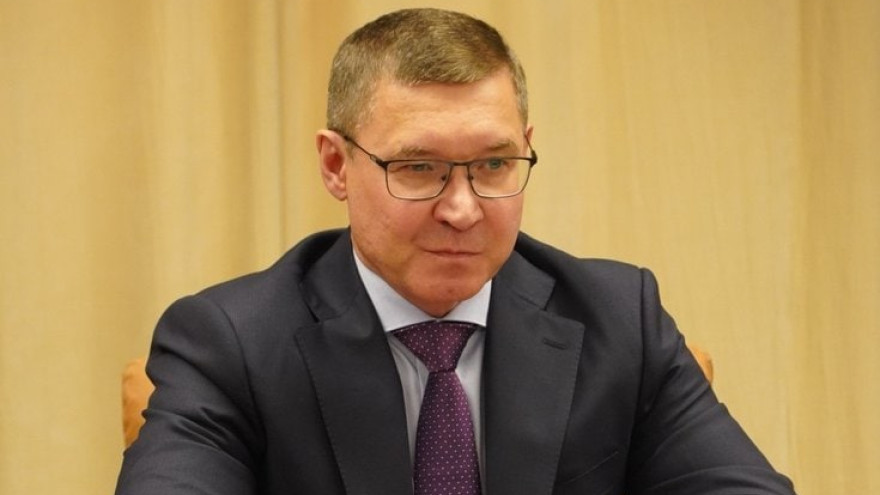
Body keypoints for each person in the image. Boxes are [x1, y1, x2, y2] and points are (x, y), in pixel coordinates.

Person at [116, 8, 795, 495]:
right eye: (418, 168)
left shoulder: (620, 320)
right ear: (335, 165)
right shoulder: (230, 342)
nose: (463, 208)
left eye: (495, 164)